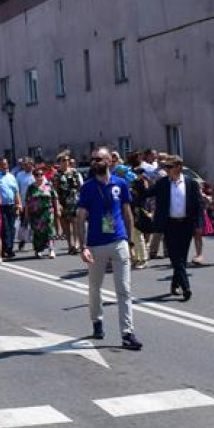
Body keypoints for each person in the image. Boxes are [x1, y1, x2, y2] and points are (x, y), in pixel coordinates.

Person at [76, 146, 142, 350]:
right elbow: (80, 217)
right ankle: (97, 321)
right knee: (95, 287)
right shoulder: (87, 187)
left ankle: (127, 333)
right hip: (95, 244)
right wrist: (83, 246)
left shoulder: (120, 184)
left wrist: (130, 242)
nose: (95, 162)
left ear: (109, 161)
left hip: (118, 240)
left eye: (99, 159)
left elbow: (127, 212)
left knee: (124, 289)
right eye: (93, 159)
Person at [147, 156, 206, 301]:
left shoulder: (191, 183)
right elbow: (147, 193)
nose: (166, 170)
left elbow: (198, 205)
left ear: (179, 167)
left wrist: (199, 224)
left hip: (186, 224)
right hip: (169, 224)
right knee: (175, 256)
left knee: (182, 257)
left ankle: (174, 283)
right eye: (165, 167)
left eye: (169, 167)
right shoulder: (162, 183)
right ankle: (186, 287)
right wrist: (136, 185)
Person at [24, 166, 60, 258]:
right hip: (35, 214)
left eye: (41, 174)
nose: (39, 176)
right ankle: (38, 250)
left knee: (50, 230)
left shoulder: (48, 185)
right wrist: (26, 215)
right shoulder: (31, 187)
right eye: (37, 175)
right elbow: (27, 202)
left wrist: (58, 209)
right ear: (34, 176)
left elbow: (55, 198)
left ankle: (51, 250)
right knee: (37, 232)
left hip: (47, 212)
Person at [53, 152, 83, 255]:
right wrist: (57, 204)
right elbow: (55, 191)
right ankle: (70, 245)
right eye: (64, 160)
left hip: (74, 201)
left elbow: (80, 186)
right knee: (65, 224)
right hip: (63, 202)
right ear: (59, 163)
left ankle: (76, 244)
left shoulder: (74, 172)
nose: (66, 162)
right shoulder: (57, 175)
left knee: (75, 222)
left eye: (67, 160)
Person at [0, 157, 21, 259]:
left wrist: (19, 204)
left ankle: (10, 249)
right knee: (4, 228)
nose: (5, 166)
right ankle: (4, 249)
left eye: (6, 164)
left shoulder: (12, 177)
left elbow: (16, 191)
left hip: (11, 205)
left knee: (12, 228)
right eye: (2, 164)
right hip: (0, 206)